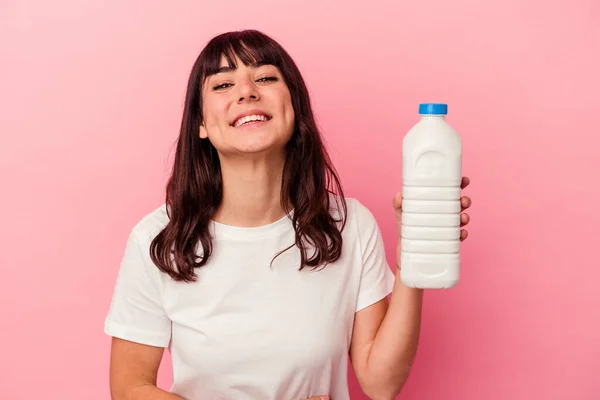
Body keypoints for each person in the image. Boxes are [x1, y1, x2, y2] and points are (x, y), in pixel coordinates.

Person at [104, 29, 472, 400]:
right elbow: (129, 387)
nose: (246, 91)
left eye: (265, 77)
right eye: (222, 84)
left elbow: (381, 383)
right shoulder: (158, 238)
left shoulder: (350, 225)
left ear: (294, 107)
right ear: (200, 124)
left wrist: (414, 258)